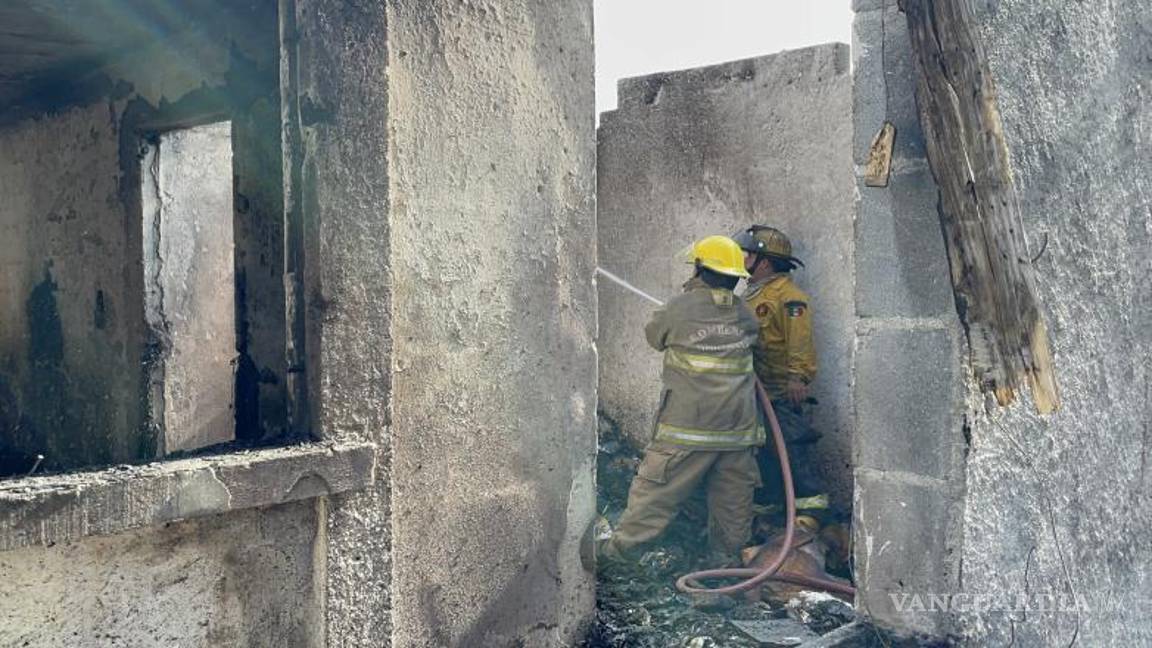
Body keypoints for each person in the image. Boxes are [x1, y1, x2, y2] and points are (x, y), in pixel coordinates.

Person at [601, 235, 764, 563]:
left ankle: (615, 557)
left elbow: (654, 336)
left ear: (699, 269)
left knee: (655, 497)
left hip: (686, 433)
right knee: (732, 508)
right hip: (737, 436)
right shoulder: (745, 315)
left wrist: (689, 300)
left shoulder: (678, 309)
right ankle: (725, 571)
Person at [732, 225, 821, 499]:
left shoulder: (788, 297)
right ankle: (774, 510)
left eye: (747, 255)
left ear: (765, 262)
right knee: (766, 452)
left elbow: (799, 339)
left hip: (782, 391)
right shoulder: (753, 294)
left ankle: (814, 513)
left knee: (792, 453)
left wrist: (798, 377)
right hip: (758, 390)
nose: (742, 261)